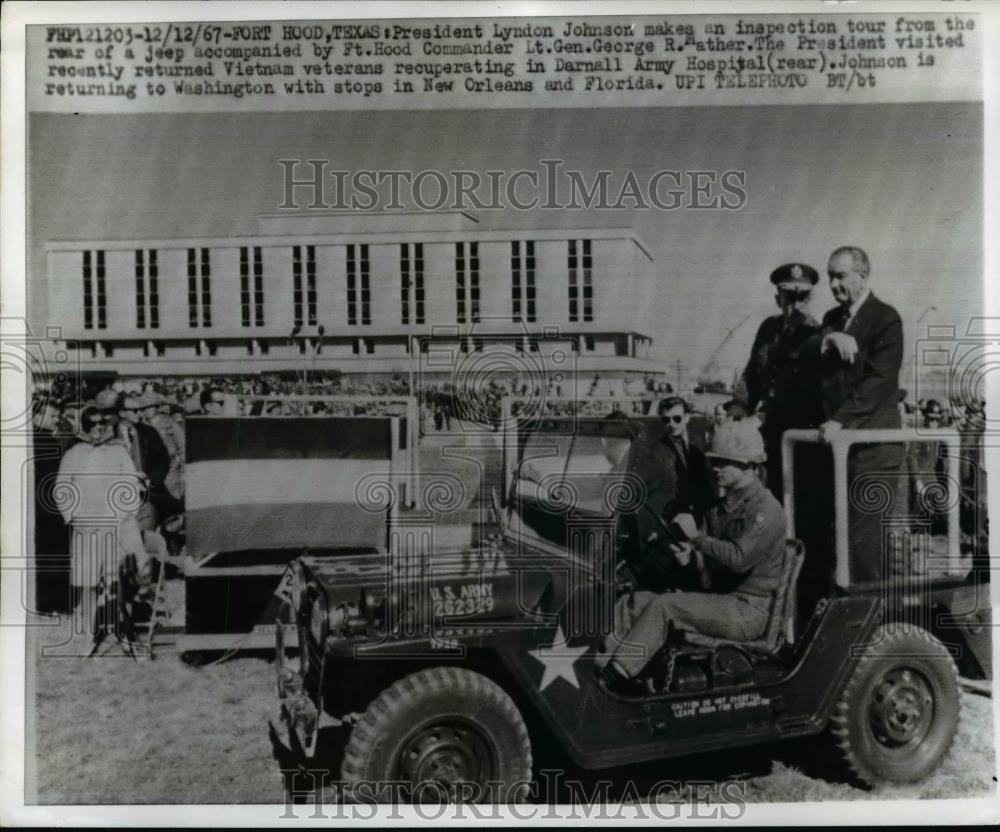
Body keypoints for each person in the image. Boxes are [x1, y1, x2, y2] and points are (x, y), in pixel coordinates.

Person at [600, 421, 787, 688]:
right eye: (714, 461)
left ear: (749, 465)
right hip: (721, 601)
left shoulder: (767, 510)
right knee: (634, 602)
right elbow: (714, 560)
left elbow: (738, 559)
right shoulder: (722, 507)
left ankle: (616, 678)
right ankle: (607, 664)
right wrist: (693, 557)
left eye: (723, 462)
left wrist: (696, 539)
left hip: (747, 611)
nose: (715, 468)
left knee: (664, 606)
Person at [806, 246, 904, 582]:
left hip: (873, 454)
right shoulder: (832, 321)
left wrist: (839, 420)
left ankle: (875, 627)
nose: (832, 284)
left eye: (840, 275)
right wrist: (829, 338)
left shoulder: (885, 319)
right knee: (839, 543)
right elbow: (808, 358)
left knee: (866, 547)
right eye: (830, 276)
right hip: (841, 452)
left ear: (862, 276)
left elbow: (878, 382)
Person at [55, 406, 147, 635]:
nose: (97, 428)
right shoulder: (74, 454)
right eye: (91, 424)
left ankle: (120, 623)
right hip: (86, 524)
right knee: (87, 577)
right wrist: (72, 516)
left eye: (101, 424)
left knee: (116, 575)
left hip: (114, 522)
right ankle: (88, 625)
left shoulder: (118, 452)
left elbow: (131, 483)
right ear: (84, 426)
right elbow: (62, 488)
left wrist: (125, 514)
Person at [741, 263, 823, 500]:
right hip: (768, 434)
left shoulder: (816, 337)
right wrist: (738, 403)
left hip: (801, 433)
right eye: (790, 299)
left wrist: (764, 415)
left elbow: (802, 391)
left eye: (803, 299)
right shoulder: (769, 329)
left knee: (798, 499)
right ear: (779, 299)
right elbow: (752, 373)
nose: (797, 306)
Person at [115, 392, 171, 532]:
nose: (139, 413)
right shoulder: (109, 434)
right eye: (134, 410)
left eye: (140, 409)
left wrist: (149, 480)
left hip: (147, 495)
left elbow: (163, 460)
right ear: (122, 413)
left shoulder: (149, 432)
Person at [656, 396, 713, 524]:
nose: (671, 424)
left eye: (677, 418)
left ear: (687, 418)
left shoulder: (700, 443)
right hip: (676, 517)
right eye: (666, 420)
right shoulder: (657, 450)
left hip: (702, 512)